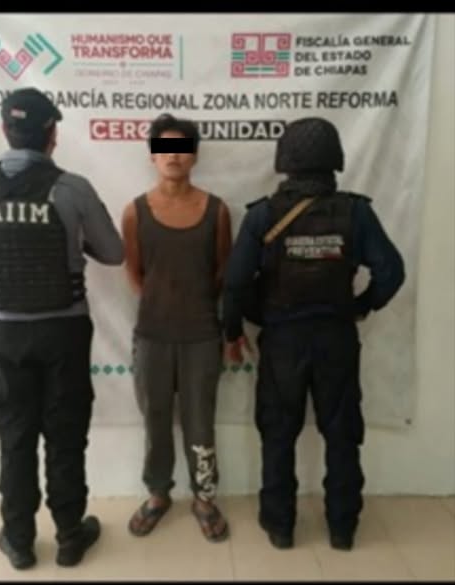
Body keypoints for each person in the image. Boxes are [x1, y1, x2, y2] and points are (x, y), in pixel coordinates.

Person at [0, 88, 124, 569]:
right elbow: (114, 253)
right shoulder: (74, 189)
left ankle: (19, 540)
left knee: (15, 435)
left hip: (5, 334)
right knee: (66, 434)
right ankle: (69, 536)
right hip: (64, 331)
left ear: (5, 129)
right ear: (52, 134)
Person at [222, 117, 405, 551]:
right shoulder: (356, 212)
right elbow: (392, 272)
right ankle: (343, 528)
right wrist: (359, 307)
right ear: (335, 159)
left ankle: (280, 526)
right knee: (342, 436)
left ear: (284, 161)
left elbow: (234, 284)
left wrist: (239, 327)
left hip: (283, 342)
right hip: (336, 339)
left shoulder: (263, 215)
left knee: (278, 434)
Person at [121, 113, 232, 542]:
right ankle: (158, 494)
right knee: (155, 420)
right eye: (164, 148)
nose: (173, 156)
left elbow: (222, 272)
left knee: (200, 422)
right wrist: (162, 306)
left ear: (195, 155)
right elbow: (135, 274)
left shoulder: (217, 211)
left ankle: (204, 498)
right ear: (153, 156)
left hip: (202, 335)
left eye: (182, 148)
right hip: (152, 335)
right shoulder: (135, 212)